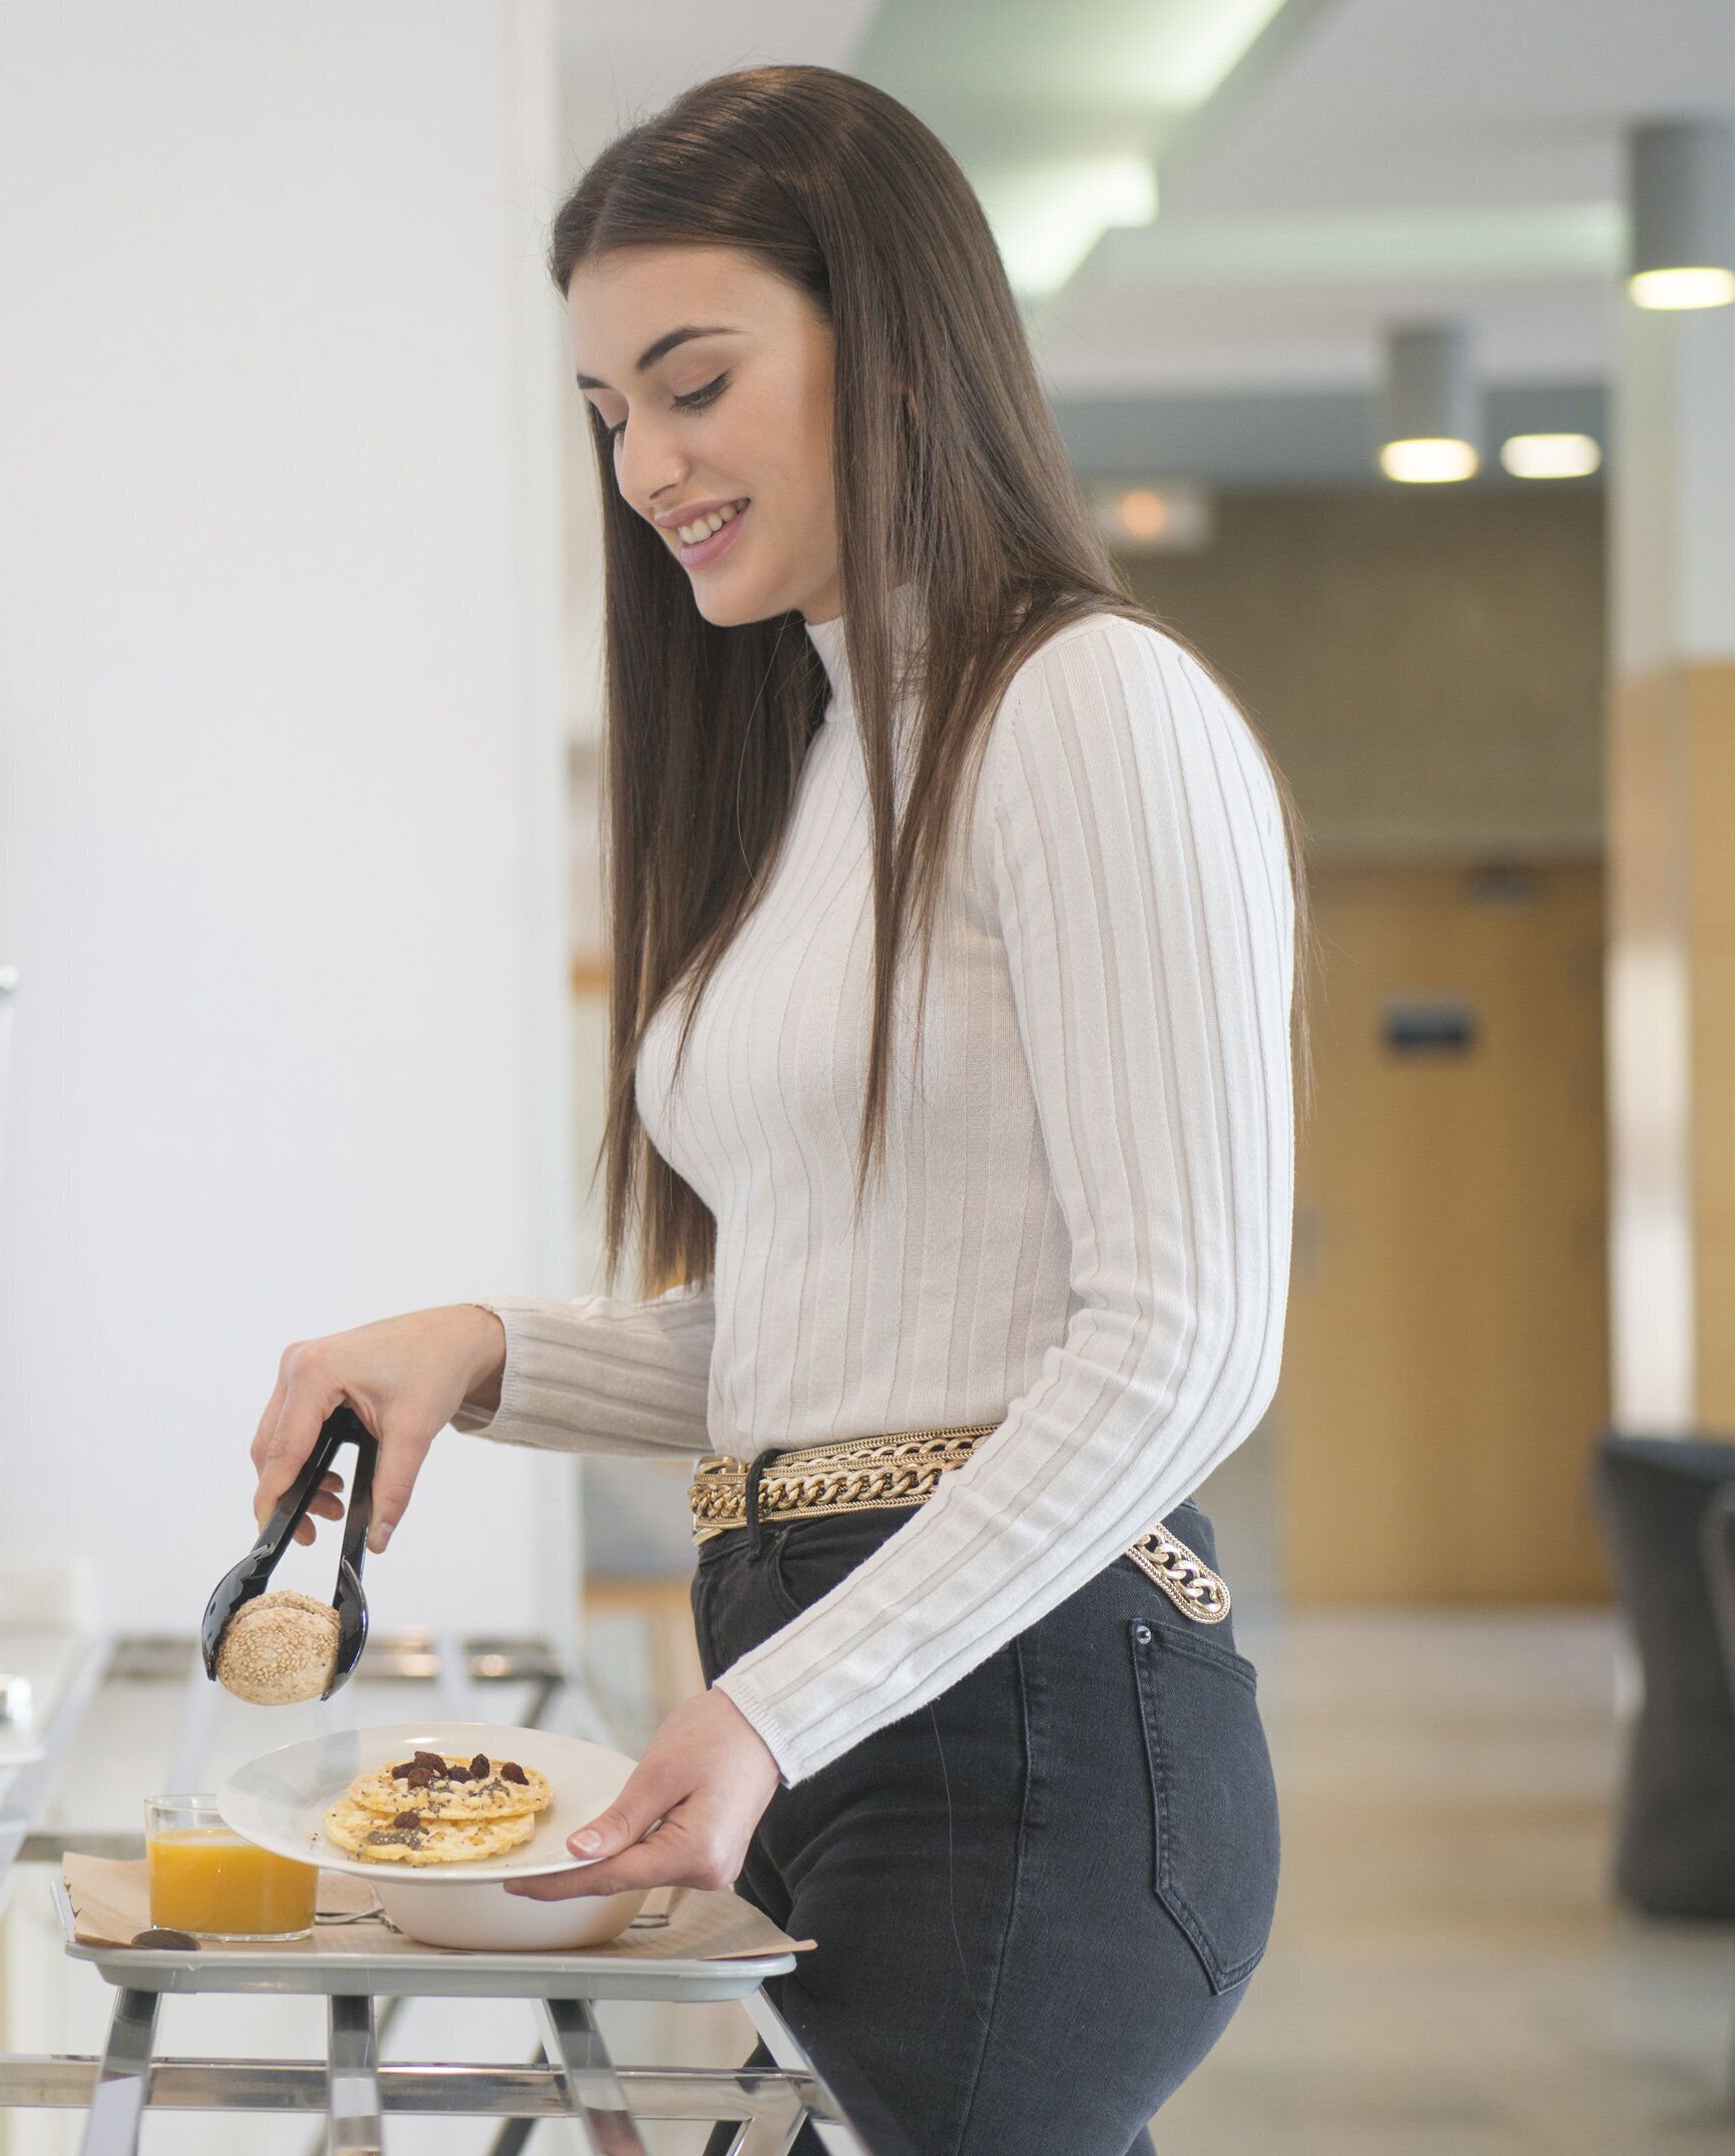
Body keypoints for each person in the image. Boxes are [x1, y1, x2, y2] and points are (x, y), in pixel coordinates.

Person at [247, 66, 1293, 2156]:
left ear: (885, 339)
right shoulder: (820, 762)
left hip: (1027, 1736)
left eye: (693, 381)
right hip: (838, 1713)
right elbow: (860, 1346)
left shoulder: (1085, 707)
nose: (646, 462)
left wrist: (777, 1705)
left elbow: (1186, 1340)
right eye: (608, 412)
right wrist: (485, 1351)